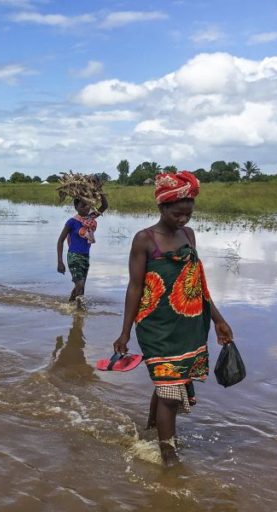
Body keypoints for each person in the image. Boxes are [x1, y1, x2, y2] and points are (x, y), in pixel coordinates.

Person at [111, 171, 234, 467]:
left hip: (189, 324)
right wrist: (125, 333)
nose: (183, 220)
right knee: (169, 393)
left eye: (188, 215)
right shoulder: (145, 240)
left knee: (171, 382)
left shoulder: (189, 236)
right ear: (162, 208)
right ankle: (169, 458)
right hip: (156, 327)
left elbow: (197, 282)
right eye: (178, 214)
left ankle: (152, 427)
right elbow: (135, 287)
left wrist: (218, 319)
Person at [56, 188, 108, 308]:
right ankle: (80, 312)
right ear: (76, 207)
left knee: (80, 285)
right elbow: (60, 241)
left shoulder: (90, 218)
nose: (86, 208)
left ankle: (70, 305)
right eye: (83, 205)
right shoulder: (72, 222)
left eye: (88, 205)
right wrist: (60, 261)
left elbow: (104, 206)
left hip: (85, 256)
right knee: (80, 285)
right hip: (74, 256)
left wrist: (99, 190)